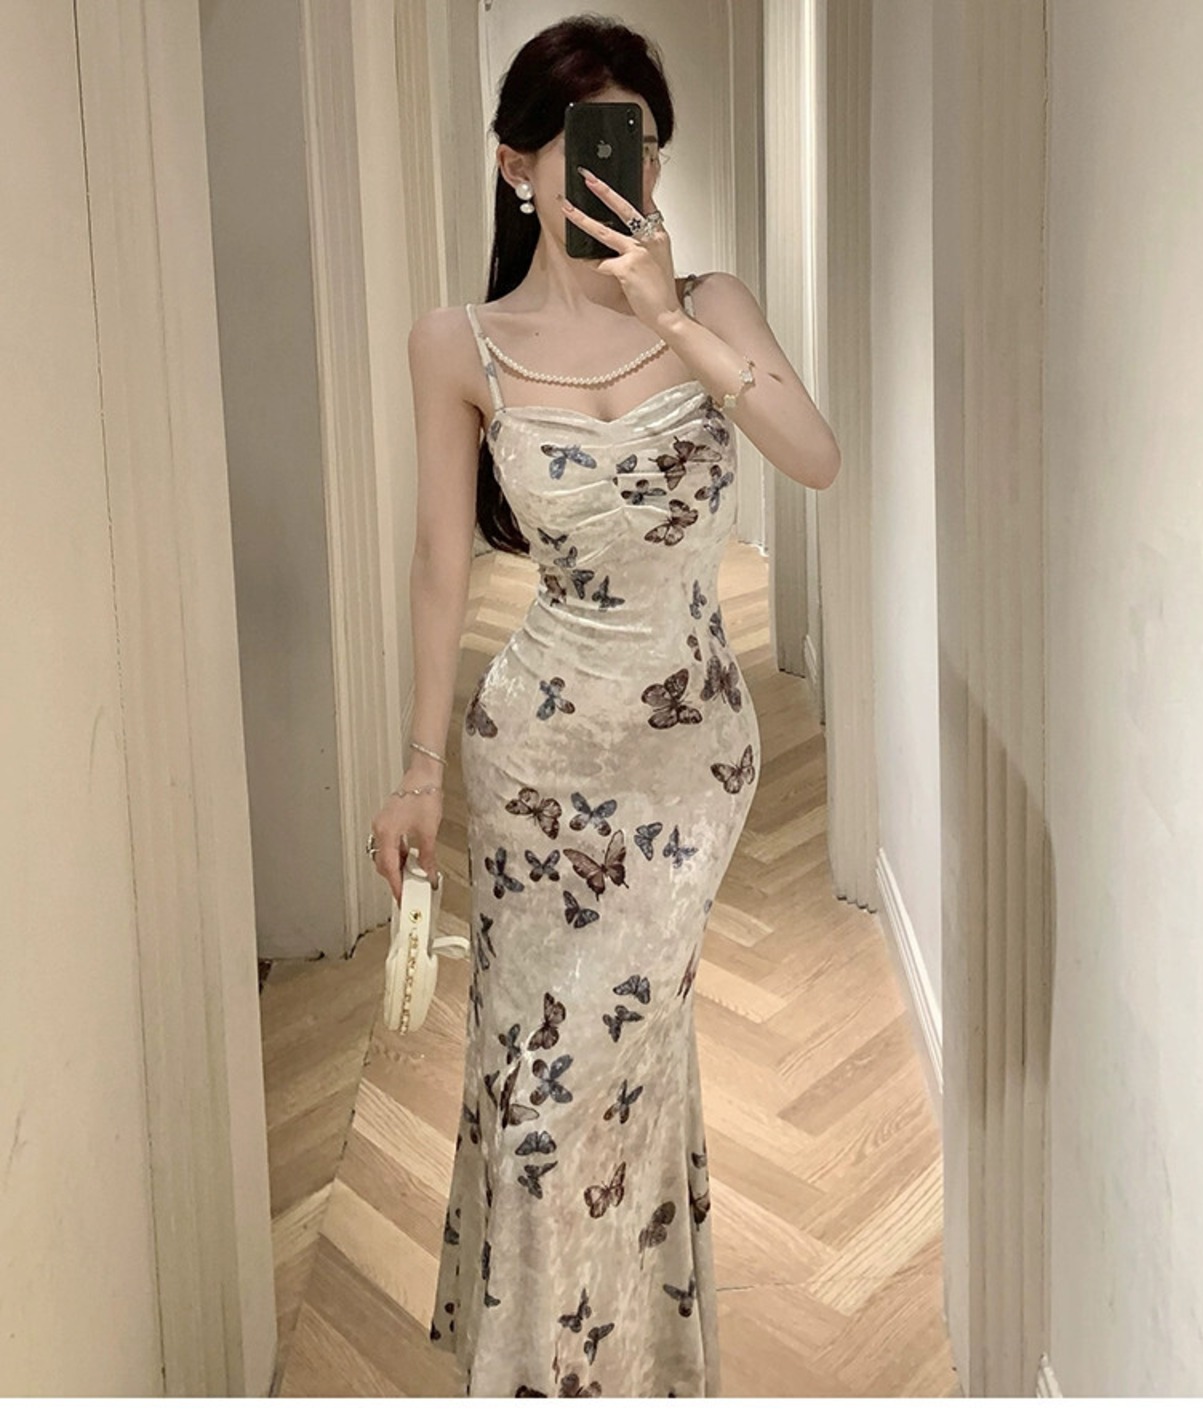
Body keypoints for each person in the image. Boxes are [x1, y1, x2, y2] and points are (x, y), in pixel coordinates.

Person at [366, 14, 840, 1398]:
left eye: (637, 143)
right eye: (581, 143)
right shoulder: (457, 344)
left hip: (691, 766)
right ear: (514, 165)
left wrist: (669, 315)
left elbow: (814, 456)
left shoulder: (714, 304)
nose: (612, 171)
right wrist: (414, 774)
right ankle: (552, 1370)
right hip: (536, 763)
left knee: (620, 1064)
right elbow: (439, 566)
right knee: (539, 1081)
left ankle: (620, 1362)